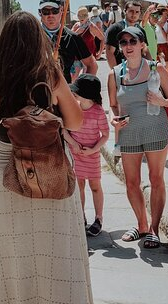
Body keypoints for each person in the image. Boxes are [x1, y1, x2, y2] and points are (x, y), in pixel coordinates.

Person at [0, 11, 92, 303]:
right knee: (56, 251)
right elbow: (75, 122)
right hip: (51, 164)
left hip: (8, 169)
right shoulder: (49, 74)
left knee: (14, 253)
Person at [108, 27, 168, 249]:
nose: (128, 45)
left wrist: (161, 102)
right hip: (129, 132)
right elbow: (113, 106)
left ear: (143, 44)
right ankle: (141, 224)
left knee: (156, 179)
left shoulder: (157, 69)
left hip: (156, 129)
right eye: (123, 42)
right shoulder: (115, 74)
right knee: (132, 182)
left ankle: (154, 229)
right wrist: (113, 119)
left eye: (132, 41)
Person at [63, 73, 109, 237]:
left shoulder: (98, 112)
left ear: (87, 95)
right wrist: (74, 144)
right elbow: (64, 130)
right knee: (79, 186)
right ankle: (80, 216)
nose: (73, 93)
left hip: (92, 155)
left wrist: (93, 150)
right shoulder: (73, 108)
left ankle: (98, 218)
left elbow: (105, 135)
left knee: (95, 186)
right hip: (76, 154)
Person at [38, 0, 97, 82]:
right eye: (46, 12)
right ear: (40, 13)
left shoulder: (72, 38)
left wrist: (82, 91)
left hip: (64, 92)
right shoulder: (32, 37)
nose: (50, 15)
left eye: (55, 11)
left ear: (61, 11)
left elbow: (92, 65)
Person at [105, 1, 147, 69]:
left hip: (139, 71)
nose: (134, 14)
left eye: (137, 12)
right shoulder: (115, 28)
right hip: (122, 69)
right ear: (125, 11)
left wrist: (151, 68)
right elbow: (109, 53)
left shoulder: (141, 30)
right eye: (131, 11)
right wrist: (116, 73)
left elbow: (145, 51)